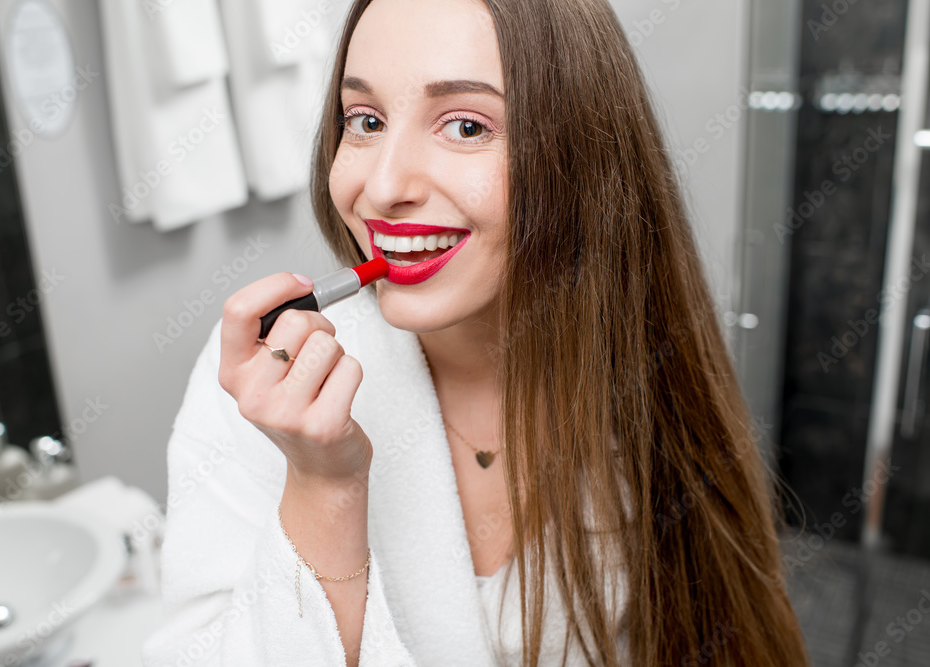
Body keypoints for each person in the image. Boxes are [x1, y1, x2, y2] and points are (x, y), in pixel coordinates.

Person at [142, 0, 811, 665]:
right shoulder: (272, 380)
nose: (382, 186)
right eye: (365, 120)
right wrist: (324, 487)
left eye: (465, 125)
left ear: (582, 152)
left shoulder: (640, 362)